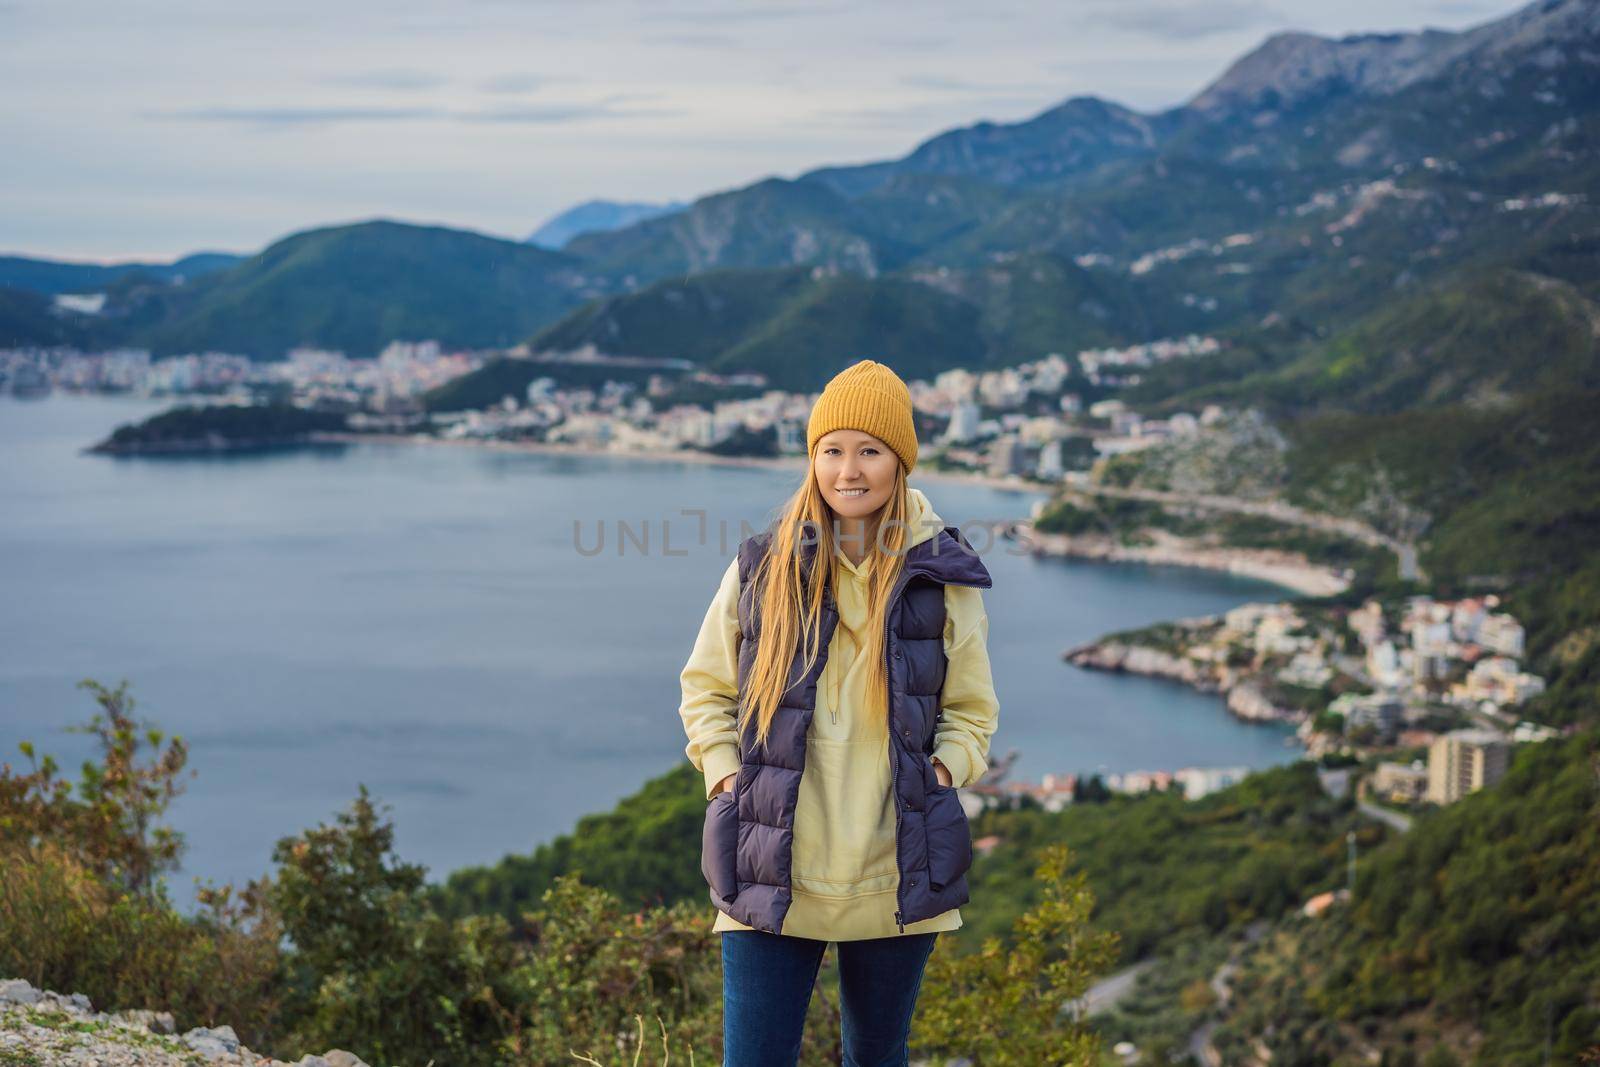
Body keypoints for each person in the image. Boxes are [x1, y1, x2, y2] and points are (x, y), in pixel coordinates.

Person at [677, 359, 1001, 1066]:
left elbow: (974, 709)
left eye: (869, 450)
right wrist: (727, 778)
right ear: (812, 459)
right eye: (832, 449)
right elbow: (705, 688)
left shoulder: (942, 577)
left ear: (900, 462)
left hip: (895, 869)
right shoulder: (762, 567)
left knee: (876, 1058)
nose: (848, 469)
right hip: (770, 866)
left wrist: (942, 771)